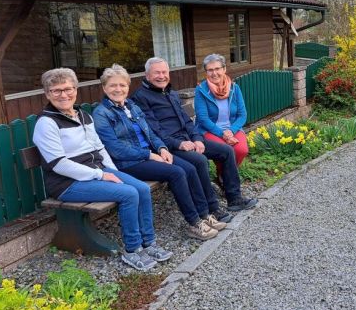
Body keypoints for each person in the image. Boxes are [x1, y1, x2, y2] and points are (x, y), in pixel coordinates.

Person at [32, 68, 171, 271]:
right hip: (67, 183)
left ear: (75, 90)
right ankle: (132, 249)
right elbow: (59, 164)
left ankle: (149, 243)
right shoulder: (47, 123)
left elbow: (99, 148)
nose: (64, 95)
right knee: (129, 193)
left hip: (96, 172)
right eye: (56, 90)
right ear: (47, 94)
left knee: (141, 188)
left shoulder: (83, 115)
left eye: (68, 89)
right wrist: (101, 174)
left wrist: (113, 172)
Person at [92, 64, 230, 241]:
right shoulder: (101, 114)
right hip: (128, 162)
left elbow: (150, 132)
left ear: (127, 87)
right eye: (113, 85)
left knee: (189, 168)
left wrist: (161, 148)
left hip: (149, 154)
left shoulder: (131, 106)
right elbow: (115, 149)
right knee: (177, 173)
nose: (118, 89)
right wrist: (149, 155)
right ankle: (194, 223)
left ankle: (204, 214)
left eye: (122, 85)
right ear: (104, 88)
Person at [132, 57, 257, 212]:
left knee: (226, 151)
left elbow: (187, 121)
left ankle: (234, 198)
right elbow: (152, 130)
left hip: (187, 139)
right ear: (147, 75)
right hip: (168, 146)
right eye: (157, 73)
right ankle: (212, 208)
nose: (162, 76)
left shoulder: (170, 93)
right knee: (200, 161)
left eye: (164, 72)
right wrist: (179, 144)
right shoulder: (141, 97)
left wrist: (197, 138)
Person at [194, 53, 248, 167]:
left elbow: (242, 115)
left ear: (224, 69)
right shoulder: (201, 90)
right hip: (209, 130)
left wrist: (231, 131)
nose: (214, 73)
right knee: (225, 150)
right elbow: (203, 118)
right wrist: (222, 133)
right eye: (210, 70)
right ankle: (224, 174)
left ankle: (227, 172)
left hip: (232, 128)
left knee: (241, 150)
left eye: (217, 69)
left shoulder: (234, 88)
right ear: (206, 72)